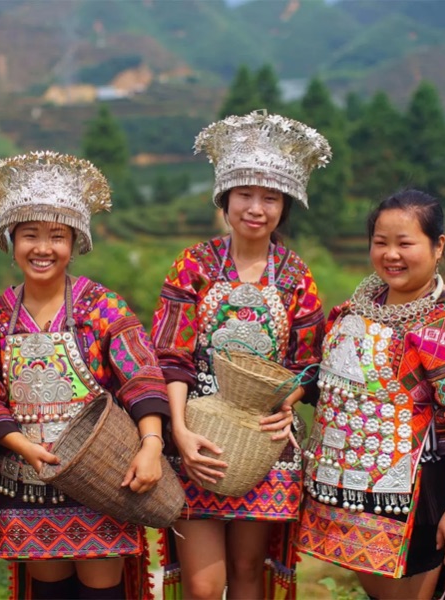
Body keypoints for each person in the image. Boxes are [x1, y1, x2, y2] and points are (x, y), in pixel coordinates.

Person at [0, 150, 171, 600]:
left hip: (101, 478)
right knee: (49, 591)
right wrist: (24, 447)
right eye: (30, 235)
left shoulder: (100, 306)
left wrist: (151, 446)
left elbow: (142, 376)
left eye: (56, 236)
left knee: (101, 590)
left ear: (75, 242)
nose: (43, 248)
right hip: (25, 480)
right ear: (10, 241)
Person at [150, 111, 331, 599]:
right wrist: (180, 430)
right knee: (205, 586)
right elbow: (171, 356)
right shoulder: (194, 265)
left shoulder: (296, 274)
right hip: (198, 438)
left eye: (270, 198)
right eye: (245, 195)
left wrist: (288, 405)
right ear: (224, 199)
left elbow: (309, 365)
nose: (256, 208)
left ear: (284, 206)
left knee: (251, 570)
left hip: (265, 440)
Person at [296, 189, 445, 600]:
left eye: (405, 243)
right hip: (348, 491)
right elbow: (336, 385)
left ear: (438, 246)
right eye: (381, 242)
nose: (391, 254)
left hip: (413, 501)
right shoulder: (355, 310)